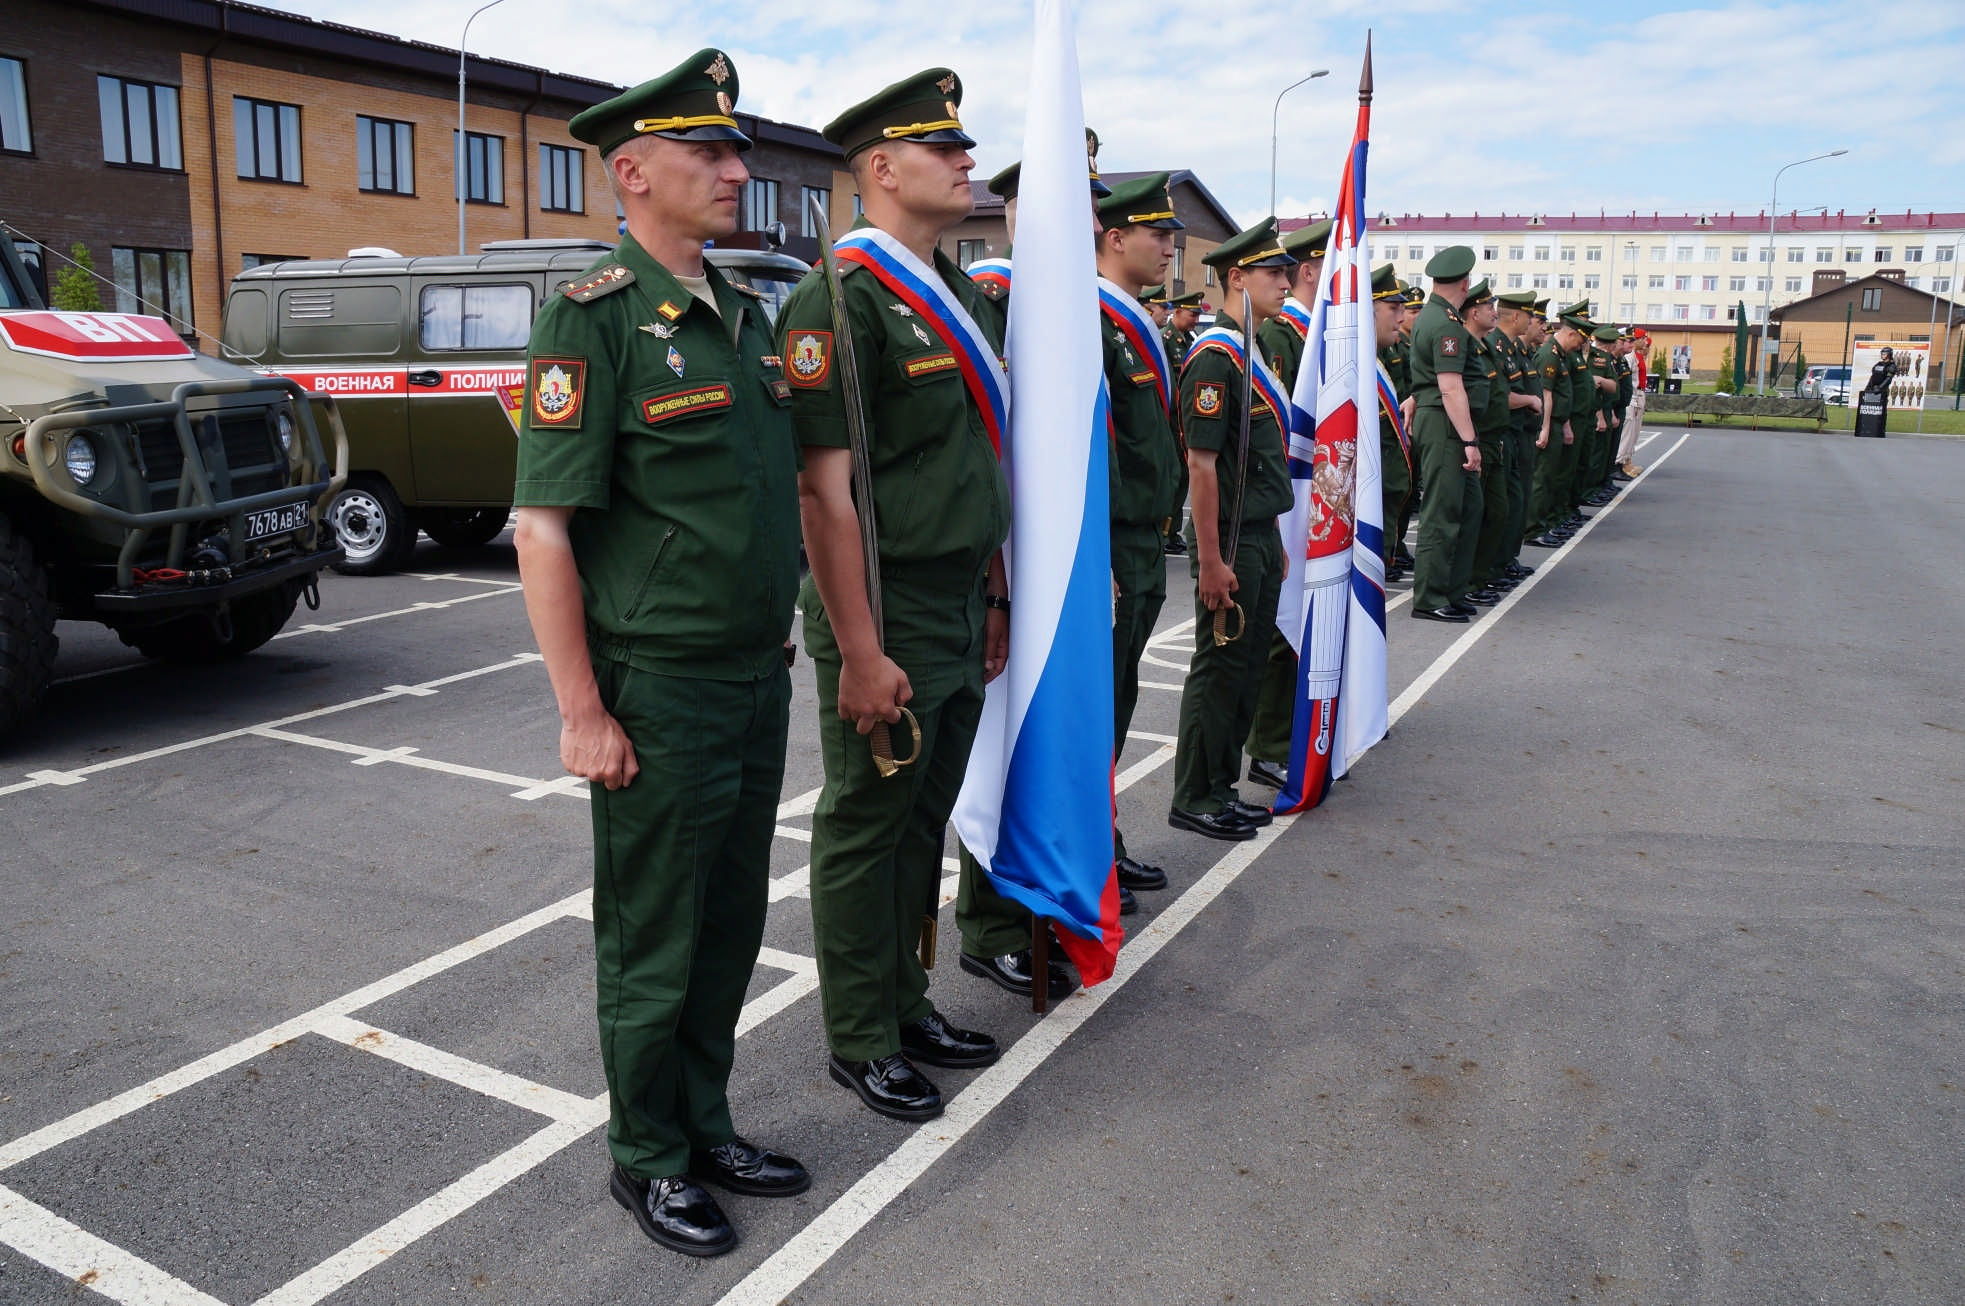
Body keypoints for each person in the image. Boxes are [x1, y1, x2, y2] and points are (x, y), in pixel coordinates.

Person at [511, 50, 809, 1260]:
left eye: (736, 151)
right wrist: (582, 708)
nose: (738, 170)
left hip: (754, 674)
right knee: (654, 934)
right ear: (633, 173)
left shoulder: (740, 313)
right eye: (710, 153)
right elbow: (543, 528)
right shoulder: (592, 320)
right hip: (662, 682)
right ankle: (647, 1156)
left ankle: (705, 1116)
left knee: (731, 918)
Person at [777, 68, 1009, 1124]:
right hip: (885, 604)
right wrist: (860, 649)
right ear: (882, 167)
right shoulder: (835, 299)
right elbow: (824, 496)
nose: (967, 161)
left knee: (923, 818)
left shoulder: (954, 292)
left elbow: (977, 459)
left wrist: (996, 593)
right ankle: (861, 1034)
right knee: (869, 822)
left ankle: (907, 999)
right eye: (944, 148)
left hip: (961, 598)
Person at [955, 147, 1137, 1006]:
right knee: (1000, 737)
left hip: (1058, 556)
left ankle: (1034, 896)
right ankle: (990, 925)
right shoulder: (992, 296)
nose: (1095, 227)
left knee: (1046, 727)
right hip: (1007, 554)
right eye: (1079, 206)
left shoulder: (1071, 306)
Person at [1166, 218, 1295, 839]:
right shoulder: (1214, 358)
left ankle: (1221, 786)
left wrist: (1271, 544)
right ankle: (1195, 793)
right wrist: (1212, 558)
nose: (1286, 281)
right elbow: (1201, 465)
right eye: (1273, 272)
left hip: (1260, 532)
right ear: (1236, 277)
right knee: (1219, 671)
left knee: (1246, 672)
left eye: (1287, 271)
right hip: (1233, 536)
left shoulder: (1256, 349)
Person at [1244, 217, 1329, 790]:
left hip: (1305, 489)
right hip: (1283, 495)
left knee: (1298, 616)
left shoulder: (1302, 333)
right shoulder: (1279, 336)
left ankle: (1289, 733)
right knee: (1280, 628)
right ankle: (1270, 743)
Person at [1406, 246, 1484, 623]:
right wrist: (1469, 441)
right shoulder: (1445, 325)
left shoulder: (1432, 317)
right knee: (1443, 512)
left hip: (1443, 420)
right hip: (1445, 426)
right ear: (1465, 284)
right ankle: (1430, 596)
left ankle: (1452, 590)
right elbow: (1450, 387)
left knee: (1467, 508)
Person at [1615, 326, 1648, 477]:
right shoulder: (1628, 357)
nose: (1643, 341)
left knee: (1632, 434)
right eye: (1640, 339)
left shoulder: (1634, 356)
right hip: (1630, 397)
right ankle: (1619, 464)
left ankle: (1625, 461)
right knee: (1626, 434)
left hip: (1636, 395)